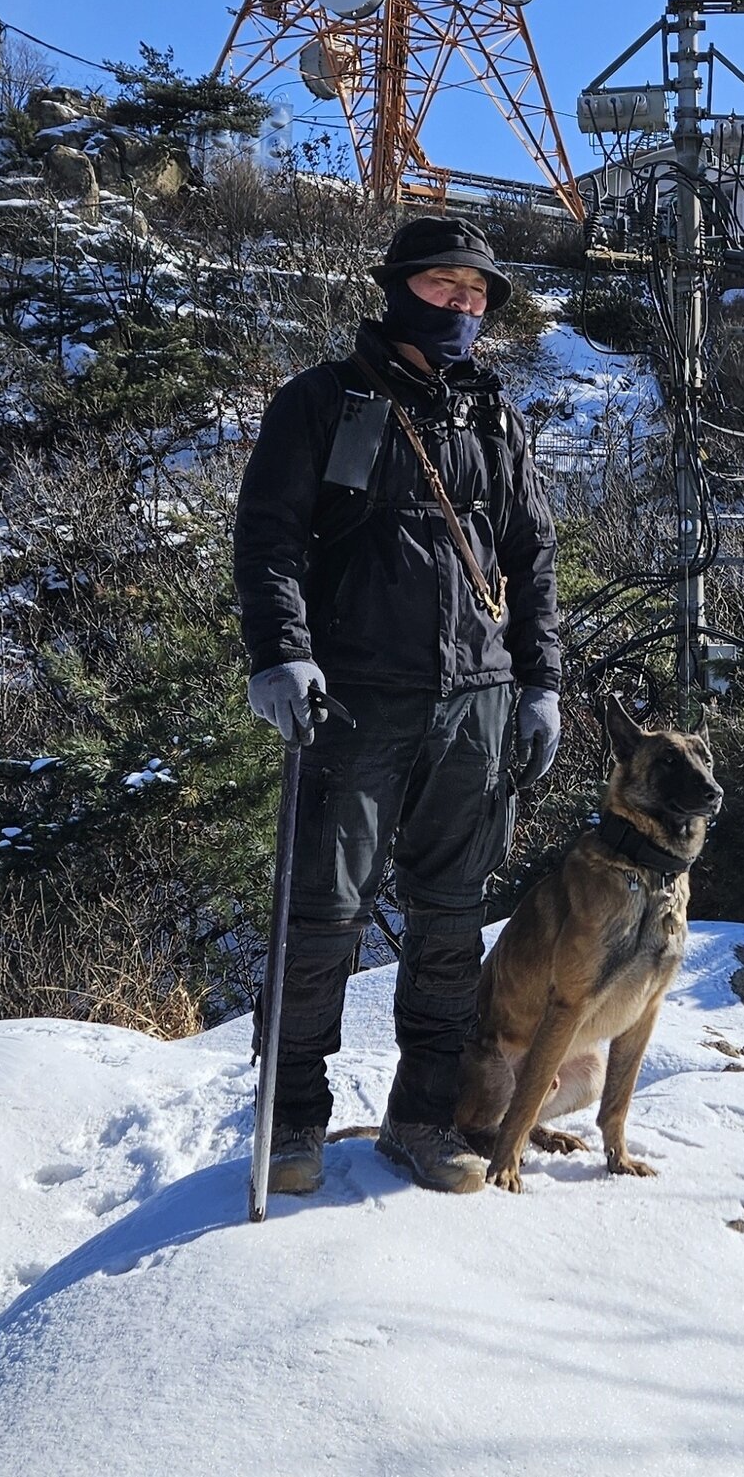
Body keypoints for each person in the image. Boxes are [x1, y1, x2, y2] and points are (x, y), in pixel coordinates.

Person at [234, 215, 562, 1197]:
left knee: (450, 922)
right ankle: (290, 1116)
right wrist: (281, 654)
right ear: (397, 287)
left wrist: (539, 681)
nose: (463, 306)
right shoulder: (324, 402)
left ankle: (422, 1117)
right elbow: (270, 537)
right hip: (353, 701)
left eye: (476, 295)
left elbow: (533, 559)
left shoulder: (496, 418)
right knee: (321, 914)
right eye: (444, 288)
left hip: (476, 702)